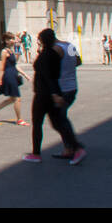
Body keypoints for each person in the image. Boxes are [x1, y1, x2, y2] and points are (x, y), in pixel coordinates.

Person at [24, 28, 85, 164]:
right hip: (72, 86)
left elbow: (48, 71)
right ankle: (70, 148)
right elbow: (78, 61)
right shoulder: (69, 45)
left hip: (60, 89)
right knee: (59, 119)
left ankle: (75, 148)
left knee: (60, 120)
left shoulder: (54, 50)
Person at [0, 32, 31, 125]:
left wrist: (25, 74)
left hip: (13, 75)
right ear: (6, 41)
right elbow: (2, 66)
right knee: (17, 98)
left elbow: (15, 65)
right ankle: (19, 119)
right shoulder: (4, 52)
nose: (13, 40)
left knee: (12, 98)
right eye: (11, 39)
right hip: (8, 76)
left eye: (13, 38)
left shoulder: (11, 51)